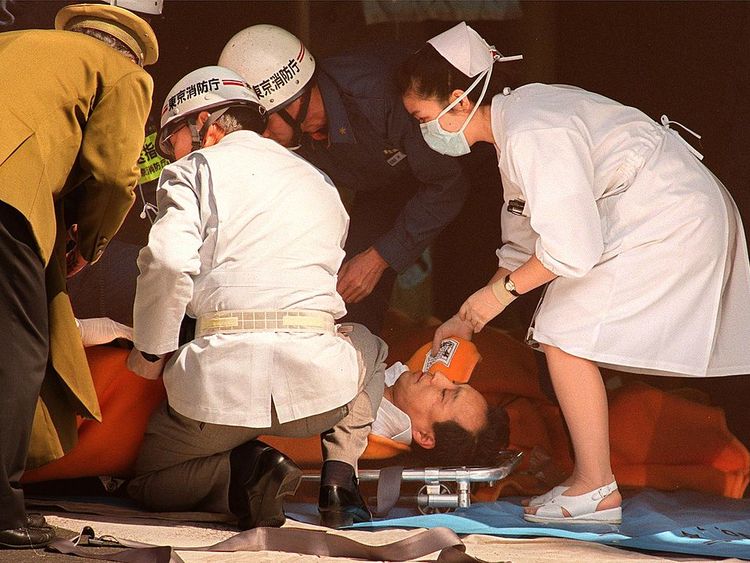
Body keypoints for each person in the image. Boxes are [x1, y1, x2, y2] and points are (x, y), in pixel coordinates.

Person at [396, 22, 750, 525]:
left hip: (668, 217)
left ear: (456, 101)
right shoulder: (518, 123)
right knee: (562, 329)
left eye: (420, 116)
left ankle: (596, 487)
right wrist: (468, 318)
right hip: (649, 214)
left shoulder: (533, 130)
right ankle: (594, 483)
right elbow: (524, 239)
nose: (420, 129)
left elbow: (572, 250)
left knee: (563, 333)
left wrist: (497, 298)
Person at [125, 66, 384, 530]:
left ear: (204, 121)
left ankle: (248, 469)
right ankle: (340, 483)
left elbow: (166, 262)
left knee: (149, 479)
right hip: (318, 397)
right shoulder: (320, 182)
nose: (170, 155)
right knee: (368, 344)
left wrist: (151, 351)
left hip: (216, 396)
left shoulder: (192, 170)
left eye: (171, 141)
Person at [0, 3, 156, 549]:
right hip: (7, 195)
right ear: (131, 49)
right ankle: (1, 508)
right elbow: (115, 176)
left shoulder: (16, 46)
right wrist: (88, 243)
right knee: (17, 348)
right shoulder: (124, 74)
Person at [217, 25, 472, 334]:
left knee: (467, 272)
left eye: (262, 123)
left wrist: (378, 258)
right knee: (349, 289)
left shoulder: (378, 94)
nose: (263, 136)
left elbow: (446, 184)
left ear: (293, 102)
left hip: (460, 170)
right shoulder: (292, 135)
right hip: (383, 185)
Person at [373, 360, 509, 468]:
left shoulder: (357, 413)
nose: (439, 375)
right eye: (453, 382)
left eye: (444, 394)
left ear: (424, 436)